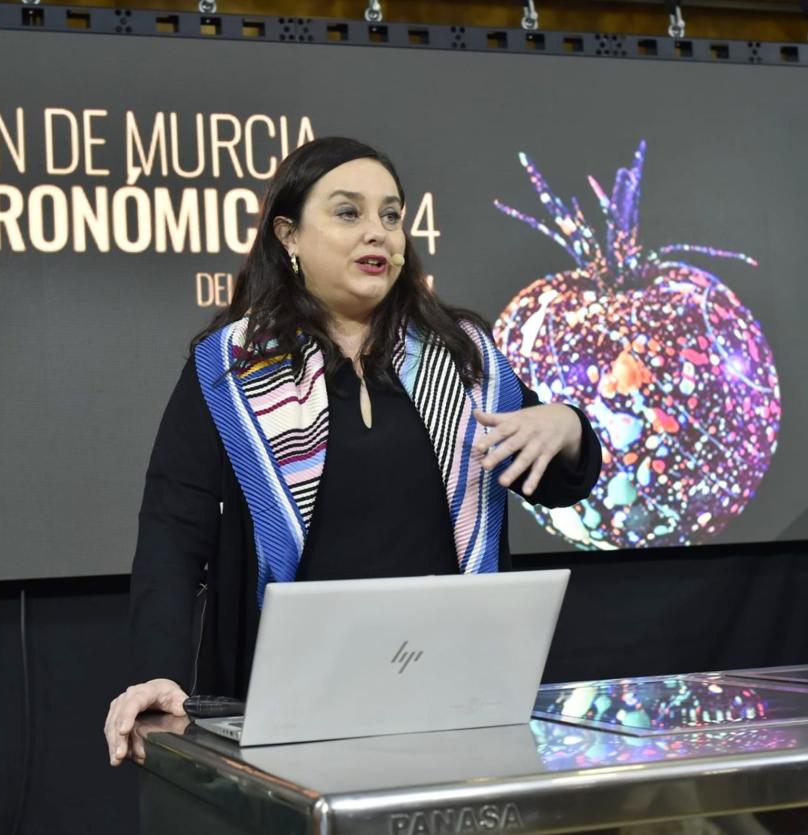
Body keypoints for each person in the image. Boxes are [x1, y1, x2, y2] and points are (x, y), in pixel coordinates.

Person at [104, 137, 602, 766]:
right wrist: (159, 671)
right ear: (288, 235)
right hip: (287, 713)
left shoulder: (463, 357)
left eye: (391, 216)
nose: (379, 234)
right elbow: (172, 538)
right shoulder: (231, 369)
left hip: (453, 705)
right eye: (349, 213)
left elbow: (555, 480)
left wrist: (569, 426)